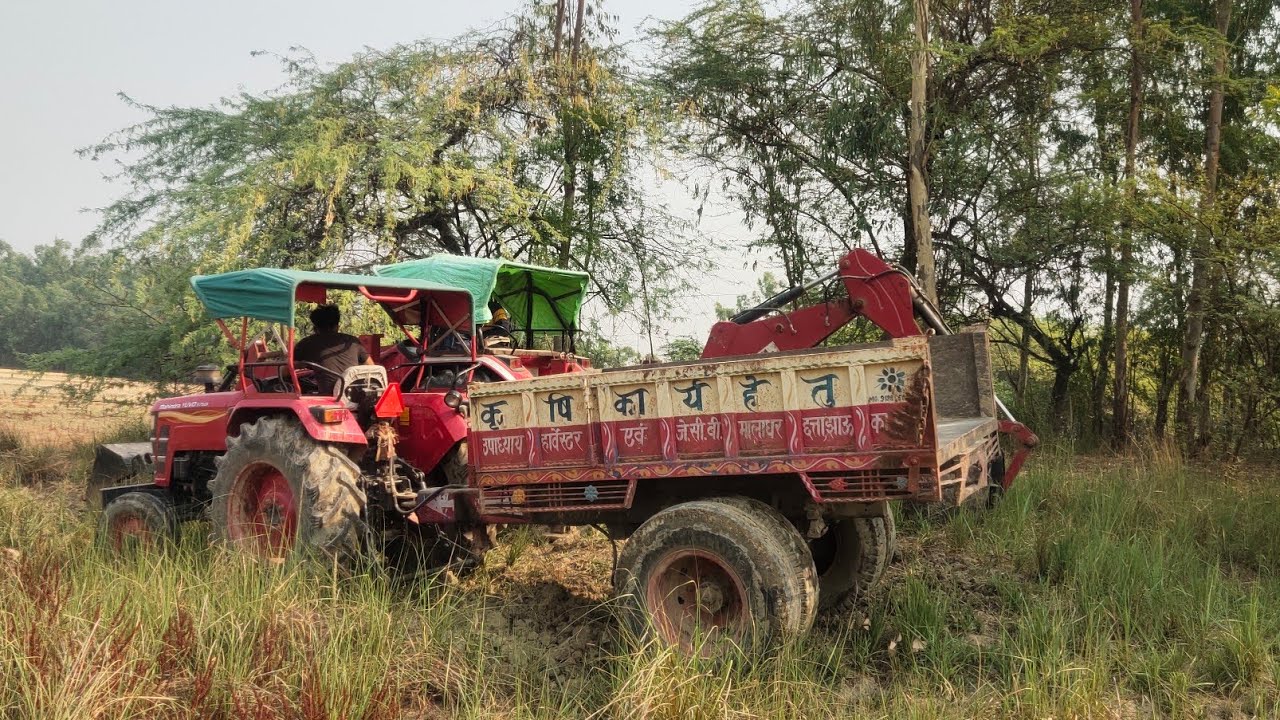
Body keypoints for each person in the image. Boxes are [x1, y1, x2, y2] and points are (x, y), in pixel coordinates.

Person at [293, 304, 372, 394]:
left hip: (329, 399)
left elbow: (285, 371)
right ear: (337, 326)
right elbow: (371, 367)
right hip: (356, 397)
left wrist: (301, 364)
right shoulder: (352, 341)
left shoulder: (307, 343)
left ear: (315, 328)